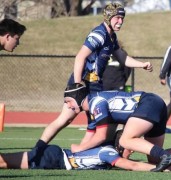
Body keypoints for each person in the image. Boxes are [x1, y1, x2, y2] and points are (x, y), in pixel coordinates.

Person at [34, 3, 152, 148]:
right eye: (117, 18)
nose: (120, 21)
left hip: (95, 86)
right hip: (83, 83)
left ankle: (83, 154)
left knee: (95, 124)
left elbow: (122, 57)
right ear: (108, 17)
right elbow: (80, 57)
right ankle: (37, 151)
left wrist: (142, 64)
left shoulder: (112, 37)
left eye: (122, 18)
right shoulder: (99, 34)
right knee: (65, 120)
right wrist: (77, 86)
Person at [63, 83, 171, 172]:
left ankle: (166, 155)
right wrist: (79, 152)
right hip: (154, 102)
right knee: (154, 160)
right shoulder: (92, 108)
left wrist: (79, 149)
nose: (68, 106)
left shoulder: (96, 103)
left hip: (147, 103)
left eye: (68, 101)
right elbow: (88, 138)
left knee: (125, 140)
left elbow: (101, 136)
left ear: (77, 97)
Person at [0, 130, 171, 172]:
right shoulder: (109, 152)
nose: (134, 150)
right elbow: (132, 165)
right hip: (55, 158)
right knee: (4, 162)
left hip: (57, 159)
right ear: (121, 145)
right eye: (132, 147)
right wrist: (166, 168)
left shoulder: (109, 152)